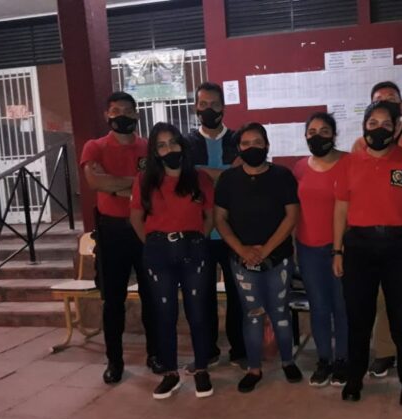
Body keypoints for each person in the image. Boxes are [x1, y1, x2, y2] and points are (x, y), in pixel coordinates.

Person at [334, 101, 402, 406]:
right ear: (364, 127)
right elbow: (340, 208)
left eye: (385, 124)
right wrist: (336, 250)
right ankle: (354, 379)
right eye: (372, 123)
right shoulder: (350, 163)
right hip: (359, 248)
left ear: (396, 128)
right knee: (358, 319)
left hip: (400, 247)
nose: (378, 129)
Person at [214, 123, 303, 393]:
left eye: (257, 142)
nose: (252, 147)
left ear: (267, 145)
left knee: (280, 311)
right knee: (252, 314)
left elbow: (292, 216)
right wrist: (242, 250)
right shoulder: (228, 179)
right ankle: (253, 368)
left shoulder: (282, 176)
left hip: (278, 258)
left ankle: (288, 361)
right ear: (238, 148)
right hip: (242, 260)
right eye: (246, 143)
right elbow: (220, 219)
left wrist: (265, 250)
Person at [80, 91, 162, 384]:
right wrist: (136, 185)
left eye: (127, 110)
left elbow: (156, 185)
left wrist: (114, 185)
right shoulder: (95, 146)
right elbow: (94, 181)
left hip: (145, 229)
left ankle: (156, 355)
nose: (121, 116)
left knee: (151, 297)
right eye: (115, 111)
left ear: (137, 114)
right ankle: (114, 361)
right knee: (113, 300)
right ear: (107, 115)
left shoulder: (148, 147)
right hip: (111, 231)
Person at [130, 122, 215, 399]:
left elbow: (210, 216)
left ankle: (201, 369)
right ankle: (170, 373)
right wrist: (154, 244)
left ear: (182, 144)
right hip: (158, 253)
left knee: (198, 312)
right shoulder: (144, 180)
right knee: (164, 314)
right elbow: (136, 218)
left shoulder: (200, 178)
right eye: (162, 145)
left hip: (194, 250)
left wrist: (197, 238)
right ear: (155, 151)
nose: (169, 149)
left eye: (173, 142)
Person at [352, 81, 402, 379]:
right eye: (379, 99)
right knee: (377, 299)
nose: (386, 102)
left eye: (391, 98)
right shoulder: (360, 144)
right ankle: (384, 353)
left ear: (401, 105)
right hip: (370, 236)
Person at [184, 82, 247, 371]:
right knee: (202, 296)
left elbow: (241, 177)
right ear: (196, 107)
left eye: (214, 104)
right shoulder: (186, 142)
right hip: (199, 233)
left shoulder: (238, 139)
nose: (208, 110)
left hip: (234, 232)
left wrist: (202, 172)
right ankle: (207, 351)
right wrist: (225, 172)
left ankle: (239, 350)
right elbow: (187, 177)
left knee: (238, 295)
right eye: (203, 104)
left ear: (223, 107)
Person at [293, 112, 349, 387]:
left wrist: (342, 248)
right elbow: (295, 209)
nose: (318, 136)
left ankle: (343, 360)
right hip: (307, 248)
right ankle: (324, 359)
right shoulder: (299, 168)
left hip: (342, 248)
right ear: (305, 136)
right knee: (318, 307)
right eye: (312, 132)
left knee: (342, 306)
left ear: (334, 135)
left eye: (324, 131)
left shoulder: (349, 163)